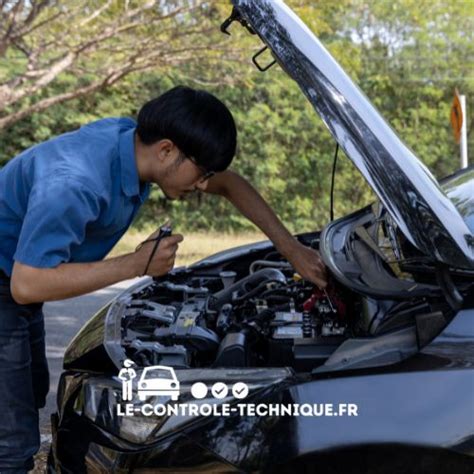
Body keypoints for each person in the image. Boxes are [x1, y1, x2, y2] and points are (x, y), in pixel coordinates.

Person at [0, 85, 326, 470]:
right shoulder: (77, 183)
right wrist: (136, 264)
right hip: (9, 286)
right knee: (13, 442)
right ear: (168, 150)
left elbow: (228, 182)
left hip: (13, 282)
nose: (203, 185)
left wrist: (292, 250)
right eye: (201, 173)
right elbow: (28, 284)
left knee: (27, 395)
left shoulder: (133, 144)